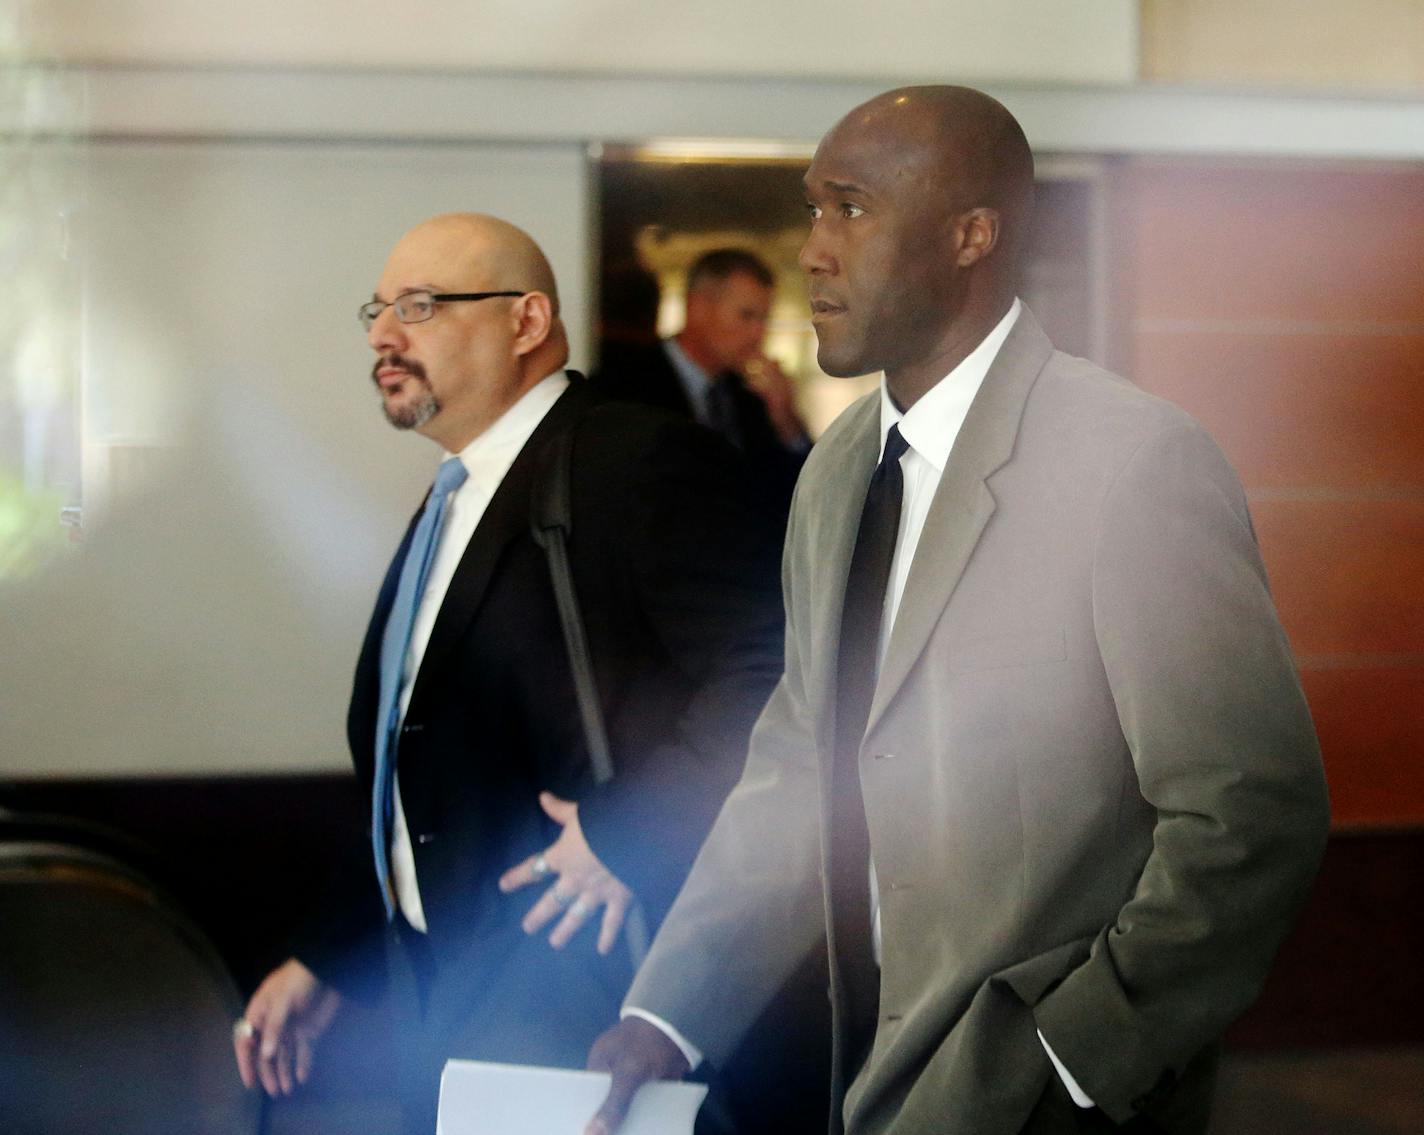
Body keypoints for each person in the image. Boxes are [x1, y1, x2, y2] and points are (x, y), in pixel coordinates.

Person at [584, 86, 1330, 1135]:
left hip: (1055, 1093)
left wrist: (1076, 1052)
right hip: (852, 1059)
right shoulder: (835, 468)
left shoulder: (1129, 461)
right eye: (811, 208)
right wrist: (669, 1009)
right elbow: (801, 760)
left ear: (970, 234)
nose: (811, 250)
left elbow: (1250, 810)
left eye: (849, 207)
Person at [231, 213, 784, 1134]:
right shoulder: (460, 489)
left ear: (526, 322)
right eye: (378, 310)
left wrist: (626, 832)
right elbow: (422, 761)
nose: (382, 334)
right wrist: (330, 955)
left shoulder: (636, 460)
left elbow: (779, 675)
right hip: (433, 991)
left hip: (580, 992)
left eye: (419, 306)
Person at [593, 249, 809, 516]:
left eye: (763, 319)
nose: (758, 333)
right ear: (698, 308)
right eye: (746, 316)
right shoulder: (624, 384)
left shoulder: (752, 398)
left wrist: (786, 420)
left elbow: (798, 500)